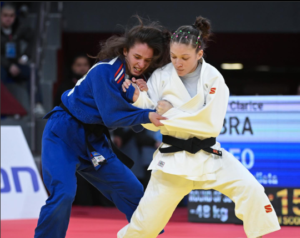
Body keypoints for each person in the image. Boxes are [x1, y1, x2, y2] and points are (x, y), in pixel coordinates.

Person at [118, 16, 281, 238]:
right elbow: (149, 117)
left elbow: (209, 123)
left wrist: (170, 112)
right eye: (174, 57)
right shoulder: (161, 76)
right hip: (172, 161)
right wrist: (139, 99)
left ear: (199, 54)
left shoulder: (213, 78)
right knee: (146, 225)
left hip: (210, 155)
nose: (178, 63)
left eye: (185, 57)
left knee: (251, 190)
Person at [34, 16, 170, 238]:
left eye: (147, 60)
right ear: (125, 51)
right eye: (137, 57)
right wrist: (146, 113)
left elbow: (135, 127)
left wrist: (140, 98)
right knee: (64, 194)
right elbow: (112, 117)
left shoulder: (135, 79)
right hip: (63, 134)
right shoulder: (104, 71)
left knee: (135, 193)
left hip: (94, 141)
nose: (141, 64)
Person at [1, 3, 45, 116]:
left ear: (14, 17)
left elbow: (34, 38)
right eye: (5, 15)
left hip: (16, 62)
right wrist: (8, 65)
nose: (8, 18)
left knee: (32, 72)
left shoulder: (19, 27)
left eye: (11, 16)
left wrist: (26, 56)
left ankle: (37, 104)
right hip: (2, 64)